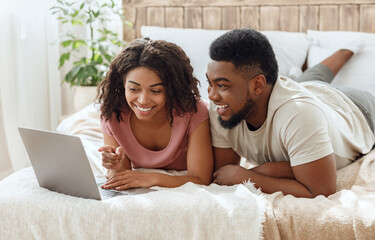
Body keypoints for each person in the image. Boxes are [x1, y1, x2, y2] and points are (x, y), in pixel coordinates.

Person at [206, 28, 375, 198]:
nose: (212, 95)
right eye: (210, 83)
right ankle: (298, 76)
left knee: (312, 82)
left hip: (356, 108)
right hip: (306, 91)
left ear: (257, 85)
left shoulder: (300, 114)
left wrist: (250, 175)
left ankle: (347, 50)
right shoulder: (222, 106)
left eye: (222, 85)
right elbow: (222, 175)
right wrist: (271, 169)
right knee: (312, 78)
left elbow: (320, 190)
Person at [97, 38, 213, 190]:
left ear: (172, 89)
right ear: (122, 85)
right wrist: (115, 165)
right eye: (133, 89)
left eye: (156, 91)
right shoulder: (113, 114)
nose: (143, 100)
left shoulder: (193, 111)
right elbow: (122, 177)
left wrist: (152, 178)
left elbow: (201, 179)